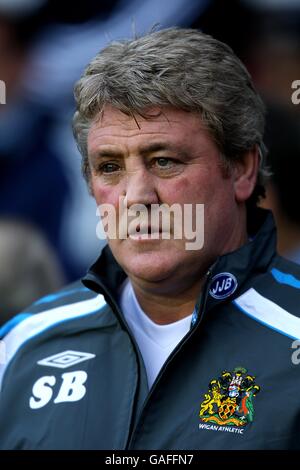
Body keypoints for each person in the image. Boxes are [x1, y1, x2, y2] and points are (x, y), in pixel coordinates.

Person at [0, 27, 300, 451]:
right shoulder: (20, 347)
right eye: (109, 167)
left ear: (242, 170)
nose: (137, 197)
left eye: (164, 161)